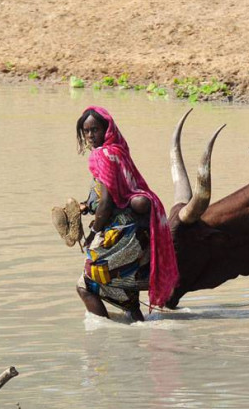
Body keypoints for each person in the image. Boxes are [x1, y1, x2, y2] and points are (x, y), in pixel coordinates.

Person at [74, 106, 179, 321]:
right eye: (86, 131)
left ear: (107, 129)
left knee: (85, 285)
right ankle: (136, 338)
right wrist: (87, 205)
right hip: (134, 235)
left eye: (95, 129)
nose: (90, 135)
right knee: (127, 296)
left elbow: (107, 202)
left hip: (121, 234)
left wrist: (94, 231)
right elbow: (112, 194)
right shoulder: (118, 150)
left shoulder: (103, 155)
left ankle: (104, 335)